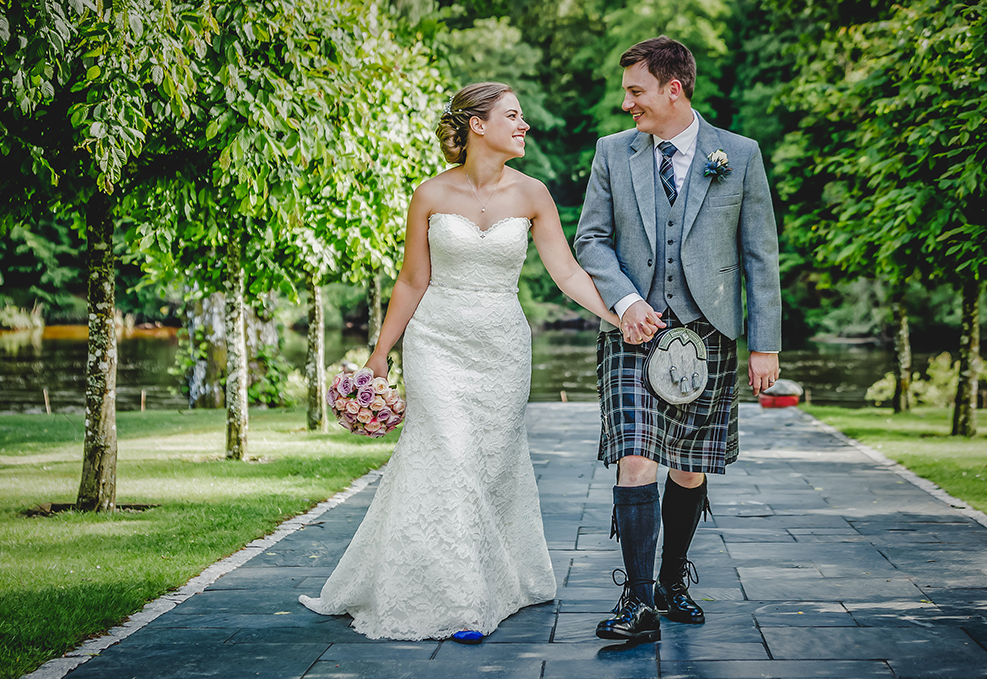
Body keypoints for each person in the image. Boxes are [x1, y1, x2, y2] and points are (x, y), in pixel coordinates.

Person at [299, 82, 623, 642]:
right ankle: (463, 603)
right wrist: (379, 356)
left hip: (501, 345)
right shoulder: (428, 194)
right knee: (447, 458)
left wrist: (621, 315)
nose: (525, 126)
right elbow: (411, 280)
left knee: (489, 466)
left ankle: (499, 577)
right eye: (513, 116)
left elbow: (567, 273)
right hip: (437, 343)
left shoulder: (533, 194)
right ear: (478, 124)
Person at [574, 36, 781, 642]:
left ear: (673, 88)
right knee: (634, 456)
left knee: (690, 467)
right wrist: (627, 301)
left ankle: (670, 581)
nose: (625, 104)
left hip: (707, 332)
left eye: (635, 91)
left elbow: (760, 256)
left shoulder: (738, 155)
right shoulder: (613, 153)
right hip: (632, 331)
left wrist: (764, 343)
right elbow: (591, 240)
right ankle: (637, 604)